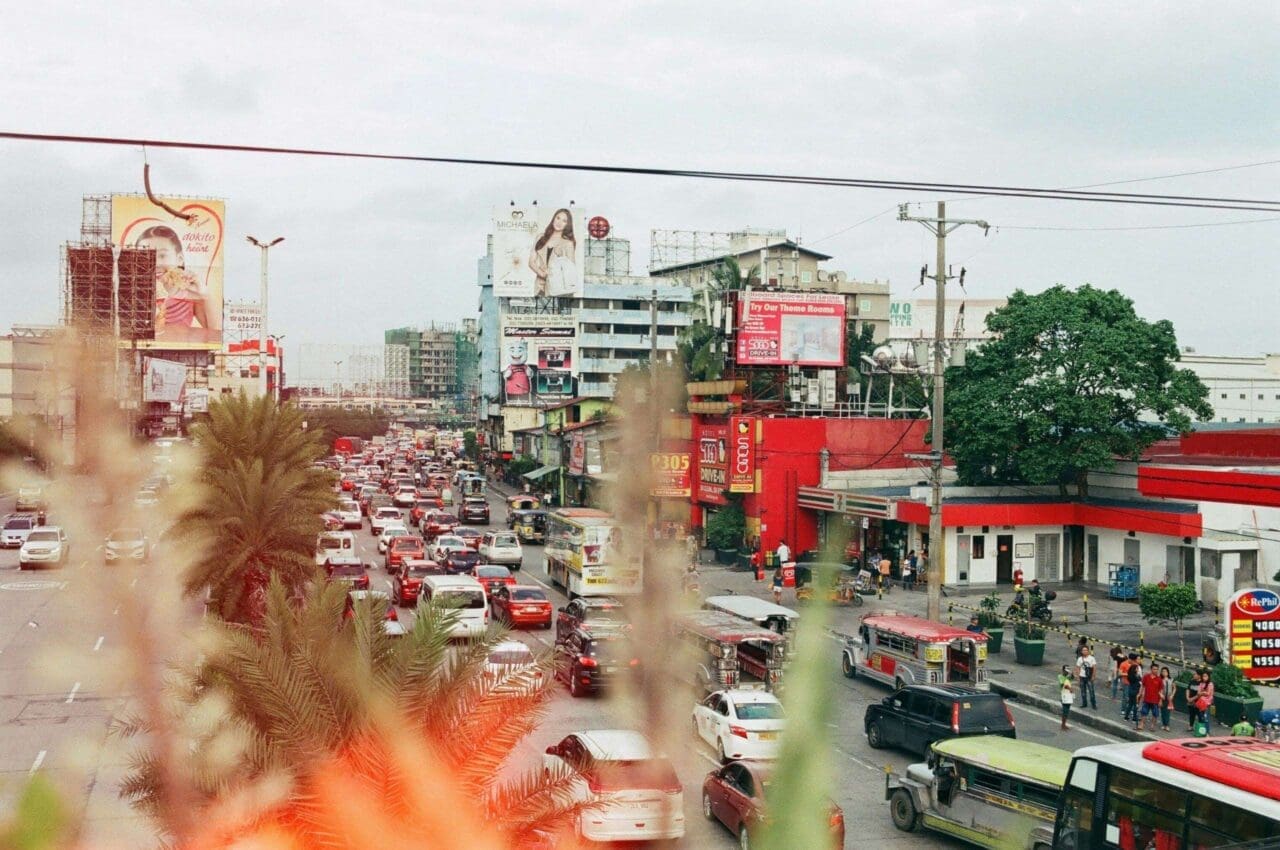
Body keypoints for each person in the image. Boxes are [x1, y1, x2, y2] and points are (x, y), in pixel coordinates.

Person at [528, 208, 578, 297]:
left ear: (567, 225)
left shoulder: (568, 243)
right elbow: (531, 262)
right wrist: (542, 274)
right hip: (539, 286)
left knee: (555, 310)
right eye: (558, 218)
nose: (559, 222)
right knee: (537, 309)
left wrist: (560, 259)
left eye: (564, 221)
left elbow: (570, 271)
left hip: (558, 288)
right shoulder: (540, 237)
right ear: (553, 219)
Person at [1139, 664, 1164, 731]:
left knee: (1155, 714)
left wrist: (1160, 700)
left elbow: (1161, 690)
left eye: (1157, 669)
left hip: (1155, 700)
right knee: (1144, 712)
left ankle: (1152, 726)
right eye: (1154, 669)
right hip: (1146, 699)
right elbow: (1142, 686)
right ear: (1151, 669)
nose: (1156, 671)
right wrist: (1140, 694)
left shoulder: (1159, 680)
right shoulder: (1146, 677)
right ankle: (1141, 724)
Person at [1076, 646, 1098, 710]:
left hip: (1089, 677)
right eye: (1083, 650)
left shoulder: (1092, 658)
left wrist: (1093, 676)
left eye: (1086, 650)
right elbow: (1078, 668)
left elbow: (1094, 668)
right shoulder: (1080, 659)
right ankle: (1084, 703)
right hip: (1082, 677)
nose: (1085, 651)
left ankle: (1093, 704)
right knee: (1083, 692)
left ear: (1088, 651)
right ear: (1081, 651)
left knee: (1091, 692)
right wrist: (1078, 677)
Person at [1121, 654, 1142, 722]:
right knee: (1135, 704)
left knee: (1130, 703)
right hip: (1136, 690)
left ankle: (1126, 717)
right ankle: (1134, 718)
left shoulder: (1130, 675)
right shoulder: (1136, 675)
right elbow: (1140, 680)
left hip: (1131, 689)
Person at [1160, 667, 1176, 732]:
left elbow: (1174, 688)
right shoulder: (1160, 679)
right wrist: (1160, 695)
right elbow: (1158, 689)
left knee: (1167, 712)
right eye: (1163, 671)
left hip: (1169, 698)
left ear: (1168, 672)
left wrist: (1172, 695)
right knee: (1162, 711)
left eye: (1165, 671)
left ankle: (1167, 725)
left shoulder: (1171, 679)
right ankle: (1164, 724)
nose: (1164, 673)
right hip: (1162, 697)